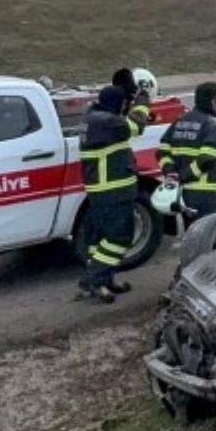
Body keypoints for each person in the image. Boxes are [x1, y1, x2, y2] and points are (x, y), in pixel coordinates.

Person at [77, 84, 151, 303]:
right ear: (118, 104)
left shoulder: (92, 118)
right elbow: (137, 125)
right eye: (124, 104)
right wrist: (143, 101)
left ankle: (104, 282)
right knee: (119, 238)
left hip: (101, 190)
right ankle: (94, 279)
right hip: (113, 190)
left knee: (99, 240)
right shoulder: (108, 122)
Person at [157, 82, 216, 223]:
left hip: (182, 192)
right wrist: (184, 175)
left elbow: (162, 151)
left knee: (191, 234)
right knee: (205, 236)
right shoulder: (213, 125)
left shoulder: (179, 122)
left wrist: (171, 173)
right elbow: (208, 158)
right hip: (205, 193)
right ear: (213, 102)